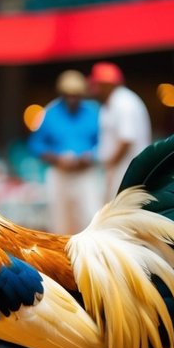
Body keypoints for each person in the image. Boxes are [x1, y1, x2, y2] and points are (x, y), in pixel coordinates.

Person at [29, 70, 101, 234]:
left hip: (85, 173)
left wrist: (91, 155)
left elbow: (103, 142)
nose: (72, 99)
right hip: (59, 173)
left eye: (76, 95)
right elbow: (35, 144)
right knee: (59, 221)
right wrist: (55, 158)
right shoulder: (50, 112)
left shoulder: (93, 111)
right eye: (68, 95)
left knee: (91, 218)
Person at [90, 61, 151, 196]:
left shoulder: (123, 102)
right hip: (119, 170)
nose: (94, 89)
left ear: (107, 84)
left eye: (97, 84)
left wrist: (110, 164)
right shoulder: (111, 102)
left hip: (126, 171)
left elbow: (126, 139)